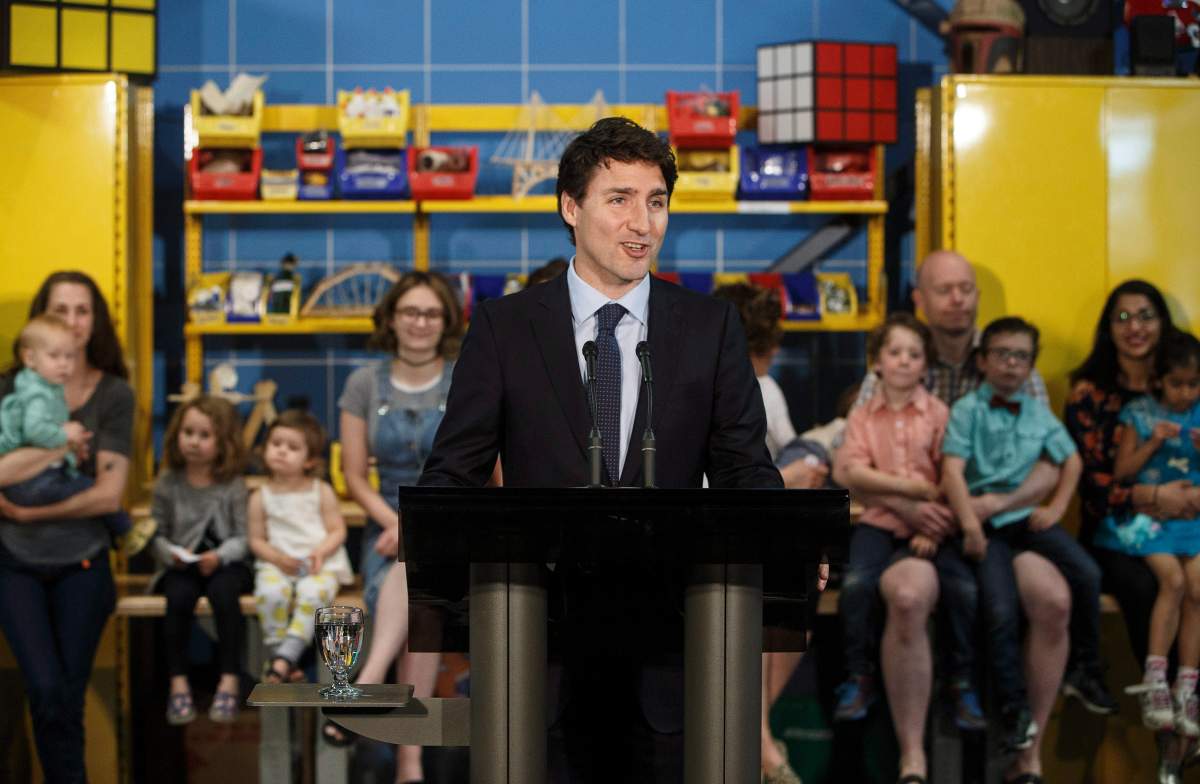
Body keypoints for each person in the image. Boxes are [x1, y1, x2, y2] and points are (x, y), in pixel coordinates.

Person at [418, 116, 783, 783]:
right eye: (619, 199)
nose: (641, 223)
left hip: (673, 654)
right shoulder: (505, 327)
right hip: (536, 649)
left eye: (657, 201)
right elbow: (453, 475)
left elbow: (744, 468)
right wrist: (463, 591)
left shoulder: (709, 327)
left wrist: (789, 543)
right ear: (570, 206)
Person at [941, 317, 1109, 776]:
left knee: (1088, 574)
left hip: (1026, 520)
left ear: (1030, 364)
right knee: (999, 605)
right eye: (1002, 354)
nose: (1011, 364)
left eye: (1021, 356)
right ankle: (1014, 708)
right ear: (983, 360)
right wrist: (970, 524)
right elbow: (952, 471)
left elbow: (1071, 460)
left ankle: (1085, 670)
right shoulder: (967, 409)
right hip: (988, 526)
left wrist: (1057, 508)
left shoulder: (1037, 411)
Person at [832, 312, 982, 784]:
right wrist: (906, 491)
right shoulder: (862, 413)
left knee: (962, 589)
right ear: (877, 362)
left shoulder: (939, 414)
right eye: (894, 353)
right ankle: (859, 675)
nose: (903, 361)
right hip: (879, 523)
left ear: (926, 364)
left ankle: (960, 679)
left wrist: (931, 526)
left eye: (914, 354)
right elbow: (848, 474)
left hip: (932, 527)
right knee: (856, 582)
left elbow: (948, 479)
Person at [0, 270, 134, 783]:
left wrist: (26, 509)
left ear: (95, 321)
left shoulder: (114, 394)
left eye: (83, 311)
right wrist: (61, 446)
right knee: (44, 690)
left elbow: (107, 494)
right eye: (61, 311)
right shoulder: (11, 388)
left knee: (66, 699)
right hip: (15, 565)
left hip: (83, 563)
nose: (73, 323)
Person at [1063, 280, 1200, 775]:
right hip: (1117, 530)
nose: (1136, 328)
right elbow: (1094, 485)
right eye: (1123, 318)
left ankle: (1189, 706)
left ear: (1163, 324)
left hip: (1189, 523)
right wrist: (1153, 496)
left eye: (1146, 316)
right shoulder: (1089, 392)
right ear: (1108, 329)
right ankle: (1169, 728)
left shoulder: (1189, 385)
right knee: (1150, 584)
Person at [333, 270, 463, 780]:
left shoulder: (465, 378)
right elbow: (353, 476)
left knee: (424, 573)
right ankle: (411, 764)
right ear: (391, 318)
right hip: (385, 526)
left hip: (448, 520)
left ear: (446, 322)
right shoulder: (363, 383)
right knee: (421, 592)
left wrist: (420, 525)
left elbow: (476, 467)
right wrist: (399, 523)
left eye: (431, 313)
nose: (420, 323)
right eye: (410, 312)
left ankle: (366, 684)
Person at [713, 282, 827, 784]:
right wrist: (793, 474)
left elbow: (785, 456)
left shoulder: (768, 388)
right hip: (713, 530)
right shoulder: (703, 383)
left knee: (795, 596)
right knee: (751, 602)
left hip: (761, 524)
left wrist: (808, 465)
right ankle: (758, 746)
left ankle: (750, 736)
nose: (774, 352)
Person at [1098, 330, 1200, 735]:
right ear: (1158, 380)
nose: (1185, 394)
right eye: (1177, 384)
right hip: (1149, 521)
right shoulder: (1139, 414)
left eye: (1194, 384)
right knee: (1172, 581)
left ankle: (1187, 686)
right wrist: (1152, 442)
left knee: (1197, 587)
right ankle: (1155, 679)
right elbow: (1121, 473)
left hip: (1192, 522)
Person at [0, 314, 149, 554]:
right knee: (86, 487)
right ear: (29, 358)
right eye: (55, 356)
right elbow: (35, 430)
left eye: (70, 357)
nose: (64, 364)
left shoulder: (40, 386)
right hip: (31, 484)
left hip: (31, 482)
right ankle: (124, 531)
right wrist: (65, 437)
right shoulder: (37, 393)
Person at [149, 395, 251, 725]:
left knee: (225, 595)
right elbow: (155, 532)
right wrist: (170, 554)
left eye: (204, 435)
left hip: (225, 564)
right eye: (188, 432)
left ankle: (229, 678)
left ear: (223, 442)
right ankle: (177, 681)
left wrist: (219, 556)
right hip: (182, 565)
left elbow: (243, 537)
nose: (194, 442)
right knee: (176, 597)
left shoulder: (233, 485)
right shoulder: (168, 483)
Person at [249, 409, 353, 683]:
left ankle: (283, 659)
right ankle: (281, 654)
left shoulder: (321, 490)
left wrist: (320, 552)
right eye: (276, 444)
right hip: (277, 563)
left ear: (310, 460)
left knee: (312, 594)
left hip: (318, 564)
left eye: (292, 447)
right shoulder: (261, 496)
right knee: (270, 592)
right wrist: (277, 558)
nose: (281, 451)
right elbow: (256, 539)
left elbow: (337, 530)